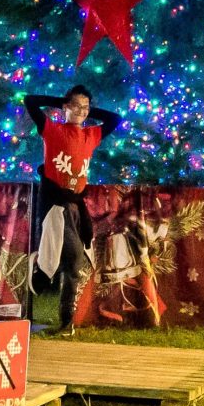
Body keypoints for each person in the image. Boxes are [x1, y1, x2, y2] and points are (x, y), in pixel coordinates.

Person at [23, 85, 122, 331]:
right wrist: (63, 102)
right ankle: (58, 316)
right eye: (75, 106)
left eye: (85, 108)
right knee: (73, 259)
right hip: (57, 206)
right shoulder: (52, 130)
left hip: (77, 206)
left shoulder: (90, 135)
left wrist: (84, 109)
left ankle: (65, 321)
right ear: (65, 107)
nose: (81, 111)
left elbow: (115, 119)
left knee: (71, 264)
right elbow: (30, 100)